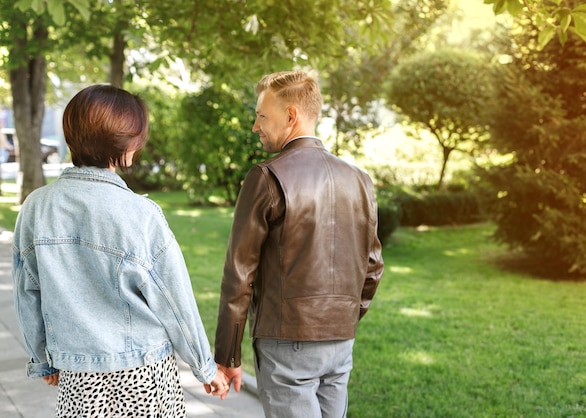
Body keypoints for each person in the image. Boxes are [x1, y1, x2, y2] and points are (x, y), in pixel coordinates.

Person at [12, 84, 230, 417]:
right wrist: (204, 366)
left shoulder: (35, 208)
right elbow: (174, 300)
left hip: (78, 374)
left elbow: (27, 294)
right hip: (142, 372)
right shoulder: (140, 214)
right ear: (126, 143)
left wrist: (43, 360)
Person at [213, 70, 384, 417]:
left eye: (261, 116)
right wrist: (343, 319)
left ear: (291, 115)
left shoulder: (265, 176)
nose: (255, 127)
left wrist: (227, 356)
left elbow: (239, 274)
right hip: (340, 342)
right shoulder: (360, 180)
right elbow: (373, 267)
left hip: (286, 341)